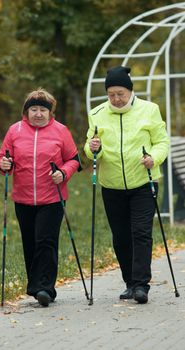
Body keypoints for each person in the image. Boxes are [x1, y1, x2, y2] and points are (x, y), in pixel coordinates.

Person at [84, 66, 169, 304]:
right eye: (111, 94)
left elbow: (162, 142)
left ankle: (142, 284)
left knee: (141, 233)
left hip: (143, 181)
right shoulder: (97, 113)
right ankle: (130, 283)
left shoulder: (149, 110)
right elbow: (90, 148)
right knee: (121, 236)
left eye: (120, 93)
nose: (116, 99)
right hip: (111, 185)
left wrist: (154, 157)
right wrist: (93, 148)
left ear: (130, 91)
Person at [0, 88, 81, 307]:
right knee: (30, 242)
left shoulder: (61, 131)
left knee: (46, 241)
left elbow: (74, 160)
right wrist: (5, 165)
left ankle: (44, 288)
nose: (38, 114)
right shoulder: (14, 130)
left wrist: (63, 173)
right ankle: (36, 286)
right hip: (23, 198)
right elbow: (4, 159)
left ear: (50, 112)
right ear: (26, 111)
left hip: (53, 197)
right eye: (33, 109)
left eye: (42, 109)